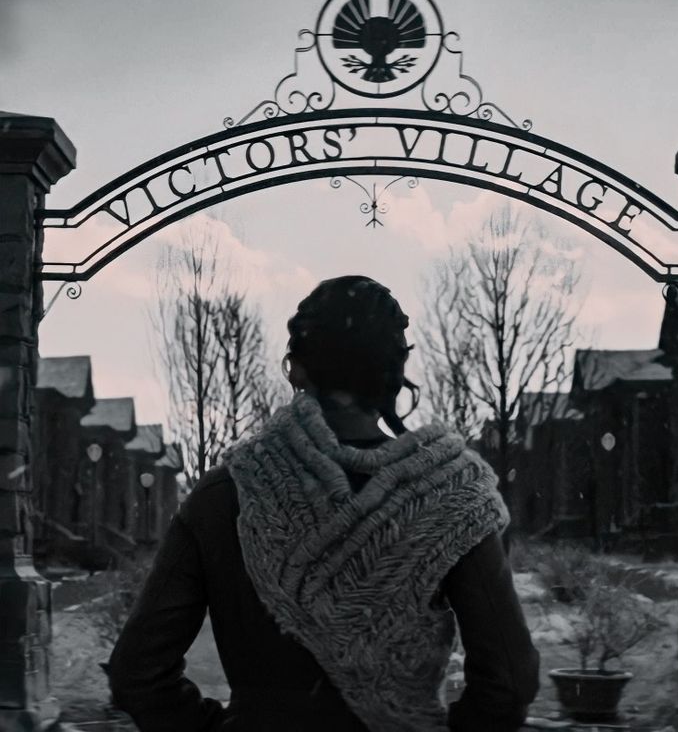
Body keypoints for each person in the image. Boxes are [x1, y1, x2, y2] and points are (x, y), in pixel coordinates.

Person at [107, 275, 539, 731]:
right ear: (395, 374)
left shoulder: (225, 494)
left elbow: (137, 674)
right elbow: (509, 682)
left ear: (297, 369)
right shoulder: (452, 497)